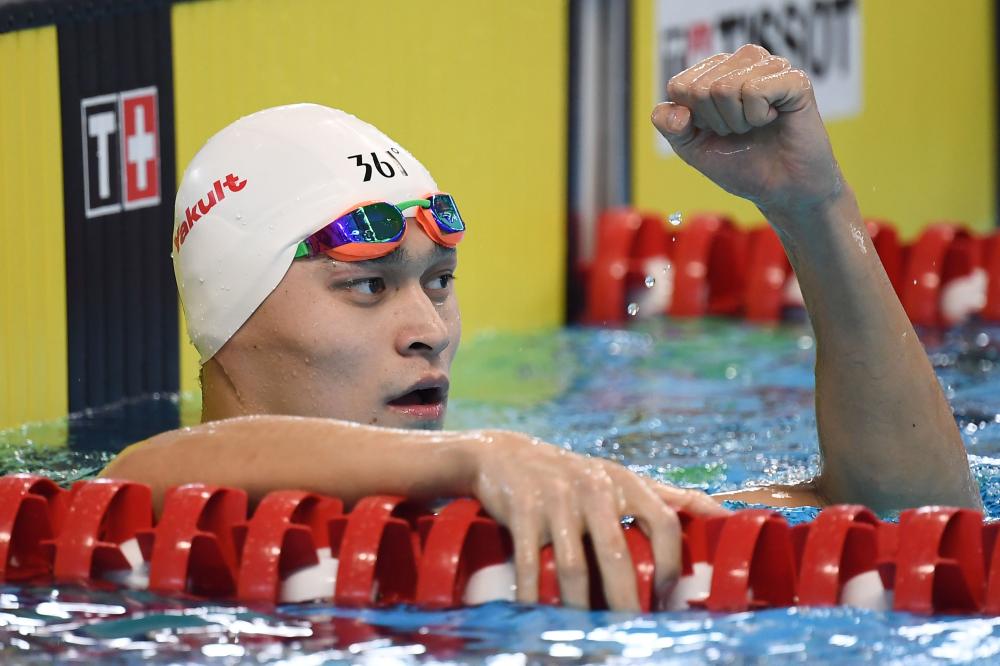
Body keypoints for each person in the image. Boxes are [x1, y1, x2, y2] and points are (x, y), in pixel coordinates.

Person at [103, 45, 980, 612]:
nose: (430, 332)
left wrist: (814, 211)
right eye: (366, 288)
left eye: (439, 283)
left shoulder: (533, 505)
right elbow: (146, 475)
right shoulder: (135, 529)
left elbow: (912, 521)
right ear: (230, 324)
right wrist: (474, 456)